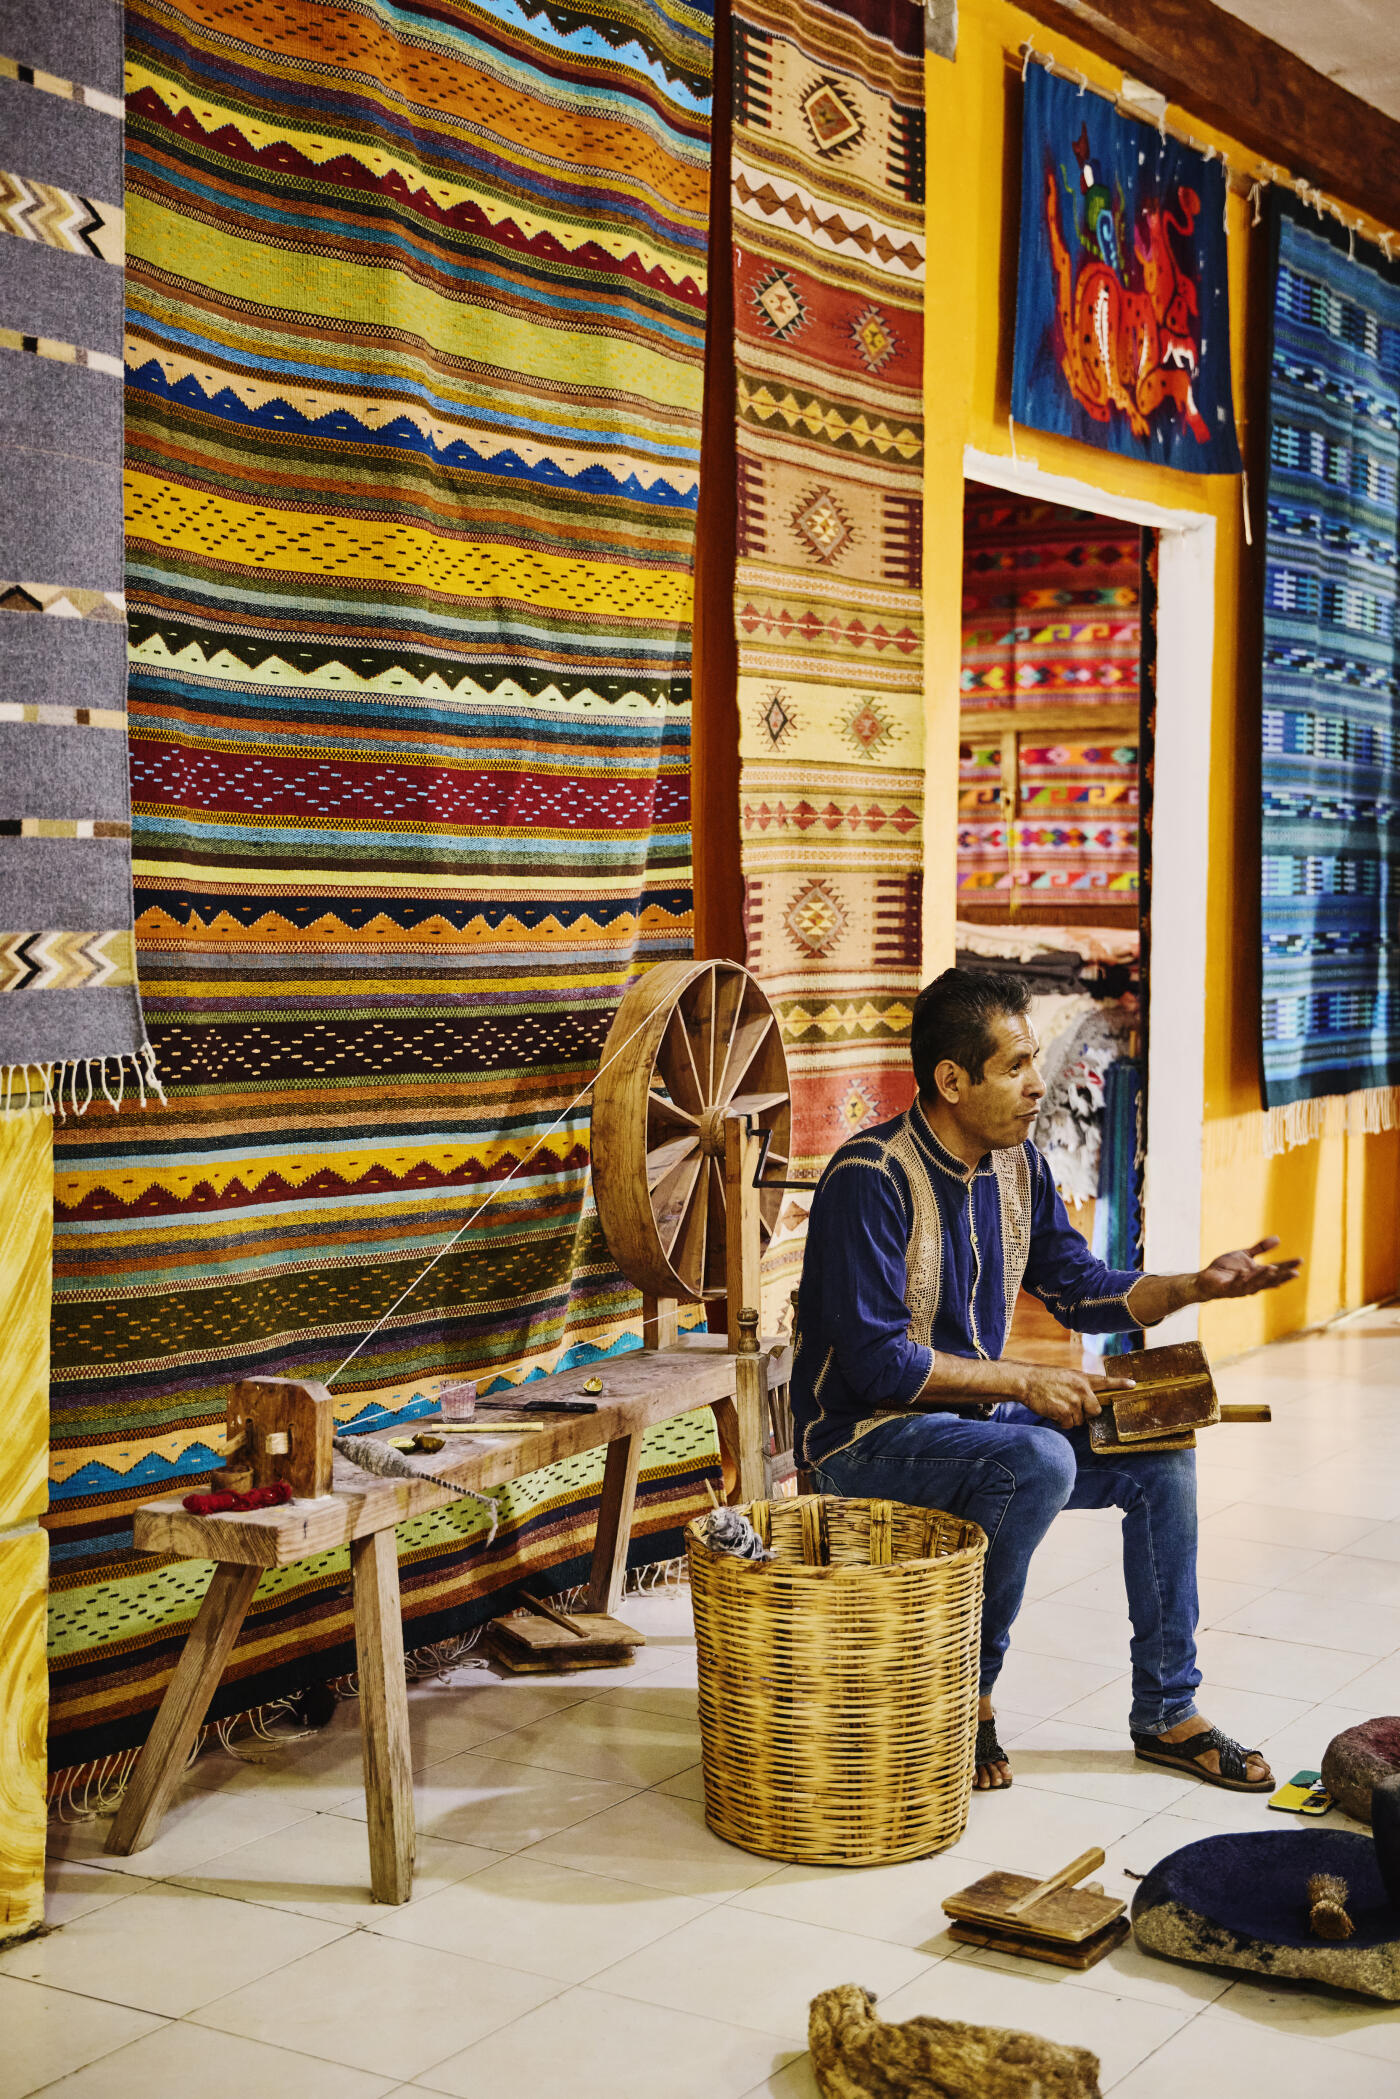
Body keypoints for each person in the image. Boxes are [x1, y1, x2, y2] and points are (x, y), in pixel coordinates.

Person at [790, 967, 1301, 1793]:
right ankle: (964, 1695)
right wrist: (1025, 1382)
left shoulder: (1017, 1165)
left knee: (1160, 1450)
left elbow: (1079, 1285)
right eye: (1016, 1065)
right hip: (862, 1442)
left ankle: (1167, 1709)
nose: (1038, 1083)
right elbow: (879, 1365)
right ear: (951, 1080)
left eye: (1034, 1061)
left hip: (973, 1430)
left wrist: (1193, 1285)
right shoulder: (869, 1177)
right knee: (1038, 1458)